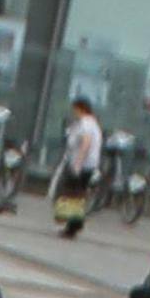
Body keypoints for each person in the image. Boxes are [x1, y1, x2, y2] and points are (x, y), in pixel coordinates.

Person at [53, 95, 102, 235]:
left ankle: (71, 224)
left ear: (80, 108)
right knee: (78, 195)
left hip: (82, 165)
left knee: (71, 193)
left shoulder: (85, 123)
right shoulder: (93, 123)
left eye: (75, 108)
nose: (73, 111)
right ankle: (73, 224)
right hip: (88, 165)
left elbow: (86, 143)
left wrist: (77, 164)